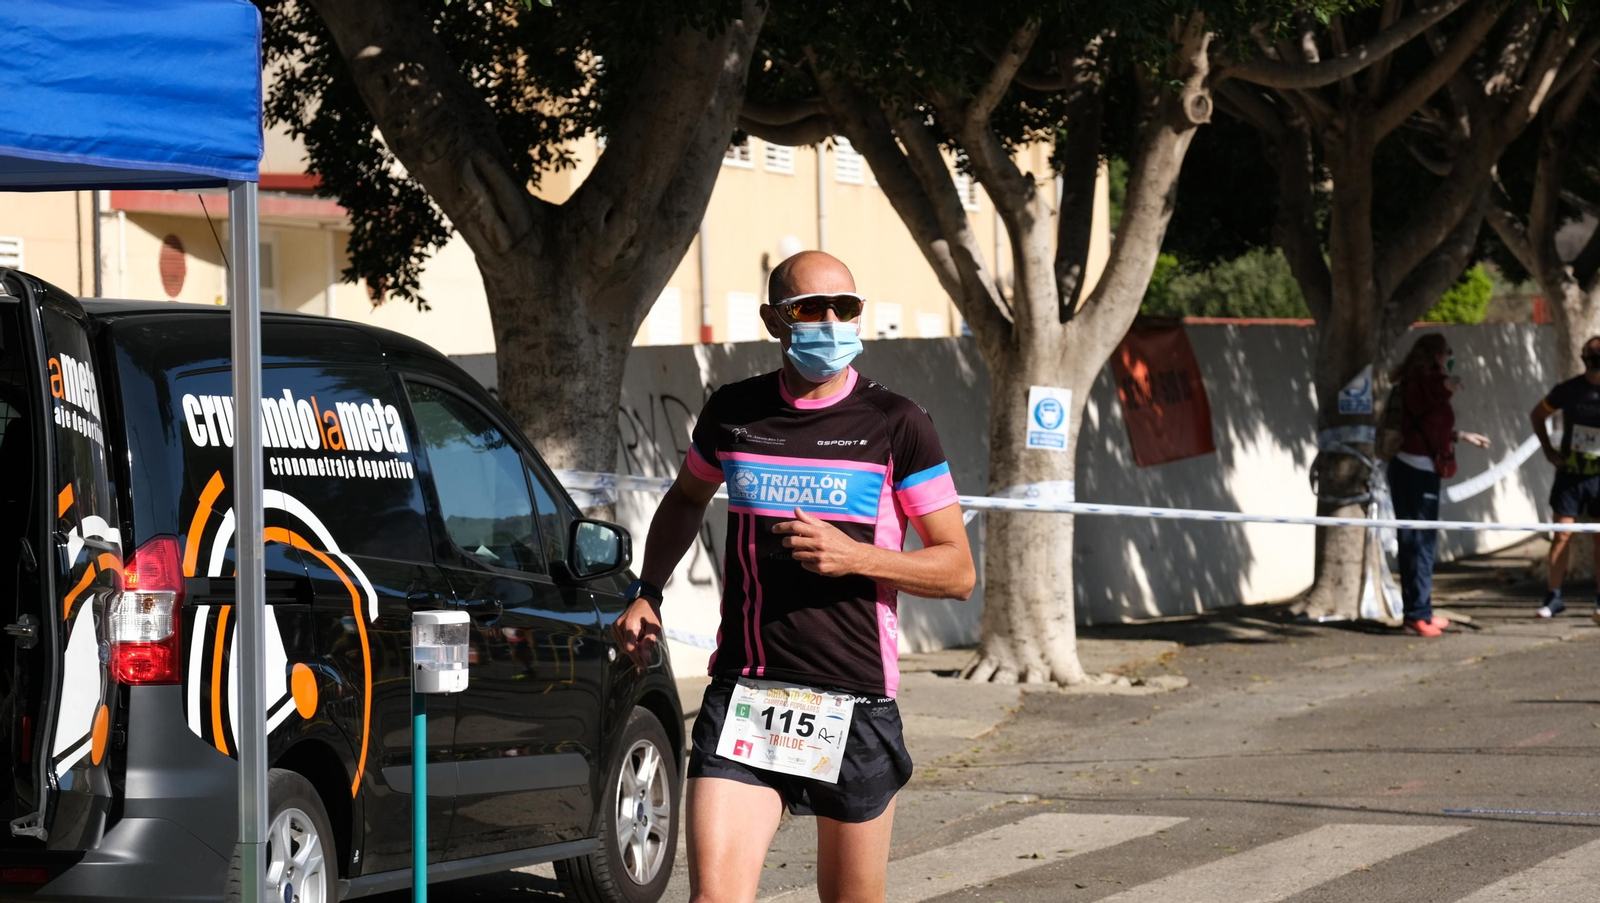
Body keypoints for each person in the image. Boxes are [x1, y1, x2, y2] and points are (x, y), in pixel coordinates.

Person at [613, 251, 975, 903]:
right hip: (749, 694)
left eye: (847, 307)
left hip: (855, 697)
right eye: (812, 308)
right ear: (775, 320)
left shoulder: (898, 423)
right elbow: (688, 496)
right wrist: (648, 591)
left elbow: (957, 569)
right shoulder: (735, 412)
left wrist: (856, 556)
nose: (832, 321)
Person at [1386, 333, 1490, 637]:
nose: (1449, 356)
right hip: (1414, 472)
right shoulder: (1425, 380)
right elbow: (1437, 391)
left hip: (1418, 468)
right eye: (1447, 352)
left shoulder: (1414, 381)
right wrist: (1449, 382)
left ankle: (1420, 611)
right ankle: (1417, 615)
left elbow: (1432, 424)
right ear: (1435, 354)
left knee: (1420, 543)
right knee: (1418, 543)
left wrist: (1461, 436)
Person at [1531, 335, 1600, 623]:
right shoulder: (1569, 390)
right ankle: (1553, 597)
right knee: (1561, 536)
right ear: (1583, 357)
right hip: (1570, 476)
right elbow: (1537, 414)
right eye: (1591, 354)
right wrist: (1548, 450)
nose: (1594, 359)